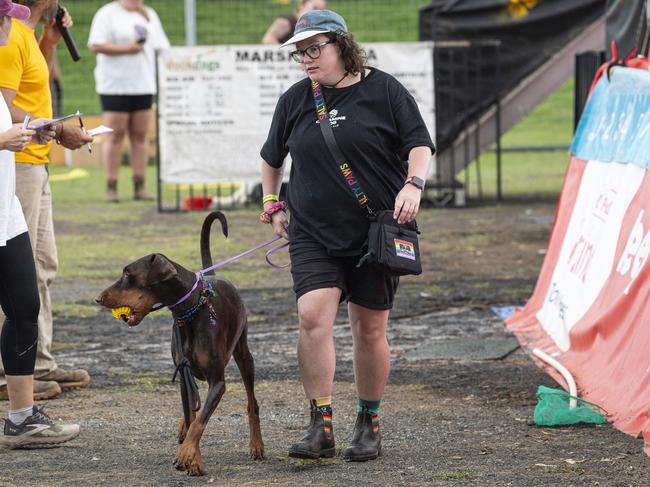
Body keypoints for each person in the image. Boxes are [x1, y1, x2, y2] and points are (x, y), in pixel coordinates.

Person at [260, 10, 434, 461]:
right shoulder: (296, 99)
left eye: (314, 48)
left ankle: (369, 421)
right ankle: (321, 424)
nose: (306, 59)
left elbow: (418, 143)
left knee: (369, 328)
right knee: (312, 317)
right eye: (300, 52)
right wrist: (271, 202)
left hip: (375, 231)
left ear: (341, 44)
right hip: (313, 231)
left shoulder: (385, 90)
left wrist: (413, 184)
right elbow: (272, 157)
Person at [0, 0, 93, 401]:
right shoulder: (6, 37)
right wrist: (56, 132)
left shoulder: (22, 33)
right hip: (17, 160)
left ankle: (37, 361)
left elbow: (40, 89)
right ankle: (13, 370)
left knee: (41, 265)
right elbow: (5, 107)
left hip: (33, 161)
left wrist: (50, 42)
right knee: (18, 270)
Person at [88, 0, 170, 203]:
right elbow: (96, 45)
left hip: (143, 84)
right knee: (114, 136)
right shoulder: (107, 14)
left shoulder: (149, 14)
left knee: (140, 136)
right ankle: (111, 185)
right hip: (115, 86)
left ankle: (140, 185)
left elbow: (162, 46)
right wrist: (127, 49)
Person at [261, 0, 326, 45]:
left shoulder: (314, 28)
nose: (317, 13)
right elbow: (267, 40)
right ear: (302, 5)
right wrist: (288, 54)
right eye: (314, 8)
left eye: (321, 10)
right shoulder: (286, 22)